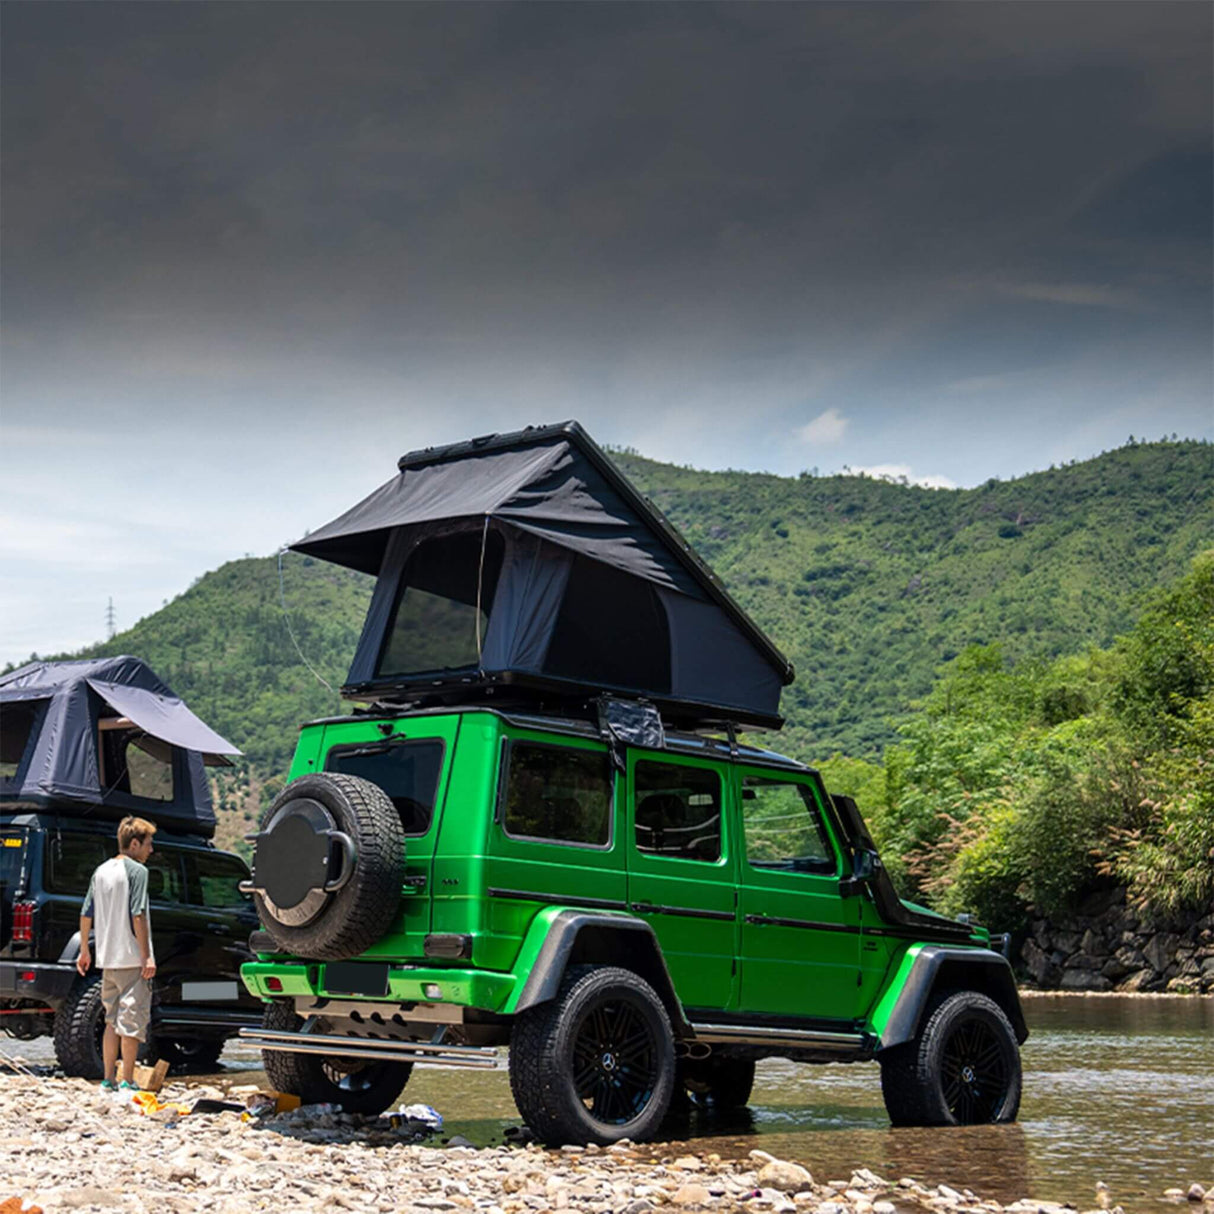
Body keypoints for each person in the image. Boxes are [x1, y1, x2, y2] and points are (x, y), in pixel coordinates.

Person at [76, 816, 158, 1091]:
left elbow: (86, 913)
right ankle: (128, 1081)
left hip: (107, 958)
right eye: (148, 844)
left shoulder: (101, 871)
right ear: (134, 844)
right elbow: (138, 915)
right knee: (131, 1022)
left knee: (111, 1021)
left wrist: (85, 950)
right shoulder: (137, 872)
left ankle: (108, 1079)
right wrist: (147, 956)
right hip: (131, 958)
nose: (151, 850)